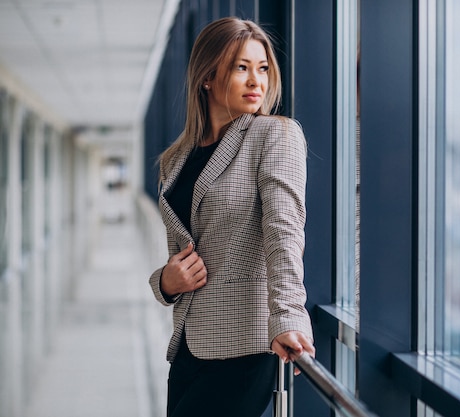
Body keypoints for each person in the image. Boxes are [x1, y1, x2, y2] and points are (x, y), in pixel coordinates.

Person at [148, 17, 315, 417]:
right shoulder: (175, 159)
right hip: (188, 348)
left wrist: (289, 315)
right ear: (208, 77)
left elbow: (284, 230)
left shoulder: (275, 135)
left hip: (244, 345)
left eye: (262, 68)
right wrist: (165, 283)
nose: (256, 80)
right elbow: (180, 254)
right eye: (241, 67)